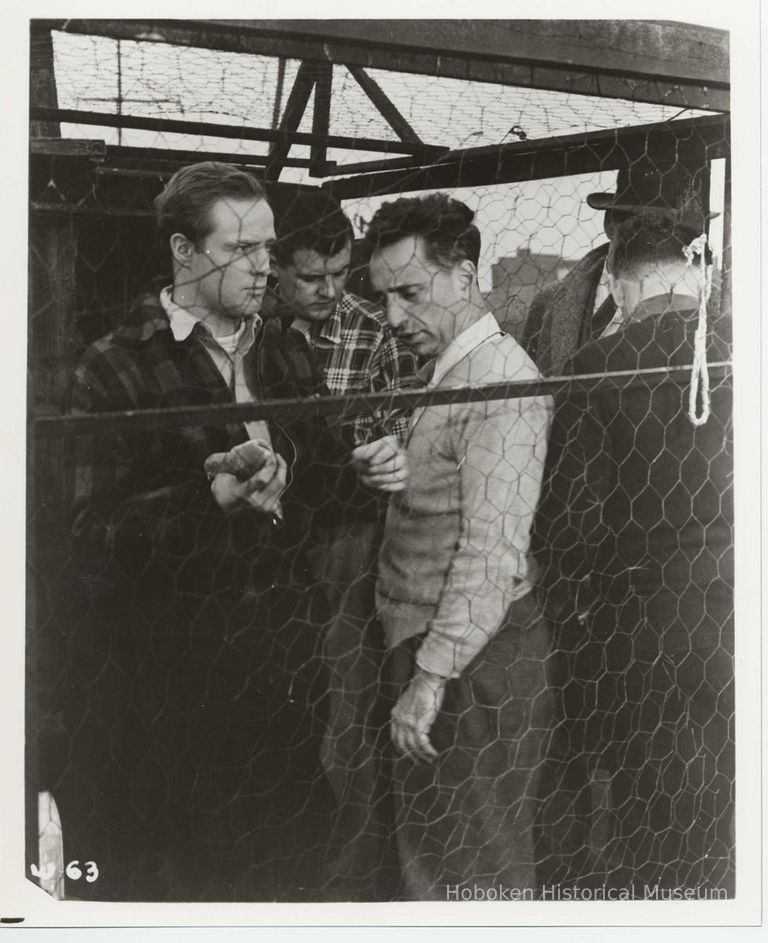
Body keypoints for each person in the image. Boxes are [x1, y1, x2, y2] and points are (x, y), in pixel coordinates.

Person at [61, 162, 403, 901]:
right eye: (240, 248)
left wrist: (359, 474)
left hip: (287, 661)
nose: (262, 267)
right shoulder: (116, 365)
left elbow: (316, 491)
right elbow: (89, 535)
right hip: (177, 679)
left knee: (298, 854)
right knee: (201, 873)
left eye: (267, 247)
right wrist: (207, 501)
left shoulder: (284, 349)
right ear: (183, 251)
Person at [353, 192, 554, 899]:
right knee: (434, 856)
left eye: (410, 292)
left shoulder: (501, 382)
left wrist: (431, 677)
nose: (393, 318)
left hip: (472, 662)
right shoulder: (451, 371)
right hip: (439, 648)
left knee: (475, 868)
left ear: (465, 278)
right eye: (383, 297)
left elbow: (495, 552)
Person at [533, 211, 734, 895]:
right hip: (741, 601)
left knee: (653, 791)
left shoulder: (599, 365)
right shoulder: (748, 349)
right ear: (696, 274)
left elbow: (571, 520)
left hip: (642, 615)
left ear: (618, 288)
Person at [268, 190, 418, 898]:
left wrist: (383, 455)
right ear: (271, 265)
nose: (330, 291)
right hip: (260, 546)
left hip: (345, 542)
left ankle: (346, 885)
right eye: (310, 278)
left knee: (345, 717)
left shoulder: (373, 332)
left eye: (339, 273)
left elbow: (398, 436)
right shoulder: (249, 329)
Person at [521, 158, 716, 375]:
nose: (653, 236)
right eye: (639, 223)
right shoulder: (547, 302)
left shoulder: (713, 302)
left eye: (666, 226)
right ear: (610, 223)